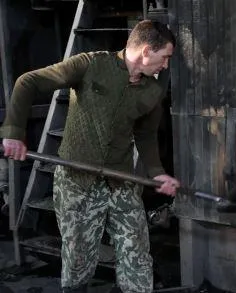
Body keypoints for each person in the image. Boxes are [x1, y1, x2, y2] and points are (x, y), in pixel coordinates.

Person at [0, 20, 180, 293]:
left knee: (137, 251)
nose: (166, 65)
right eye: (165, 57)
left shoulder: (152, 90)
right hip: (77, 181)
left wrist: (156, 172)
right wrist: (13, 131)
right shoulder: (89, 64)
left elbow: (146, 135)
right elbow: (28, 82)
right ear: (146, 51)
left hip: (121, 181)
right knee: (78, 258)